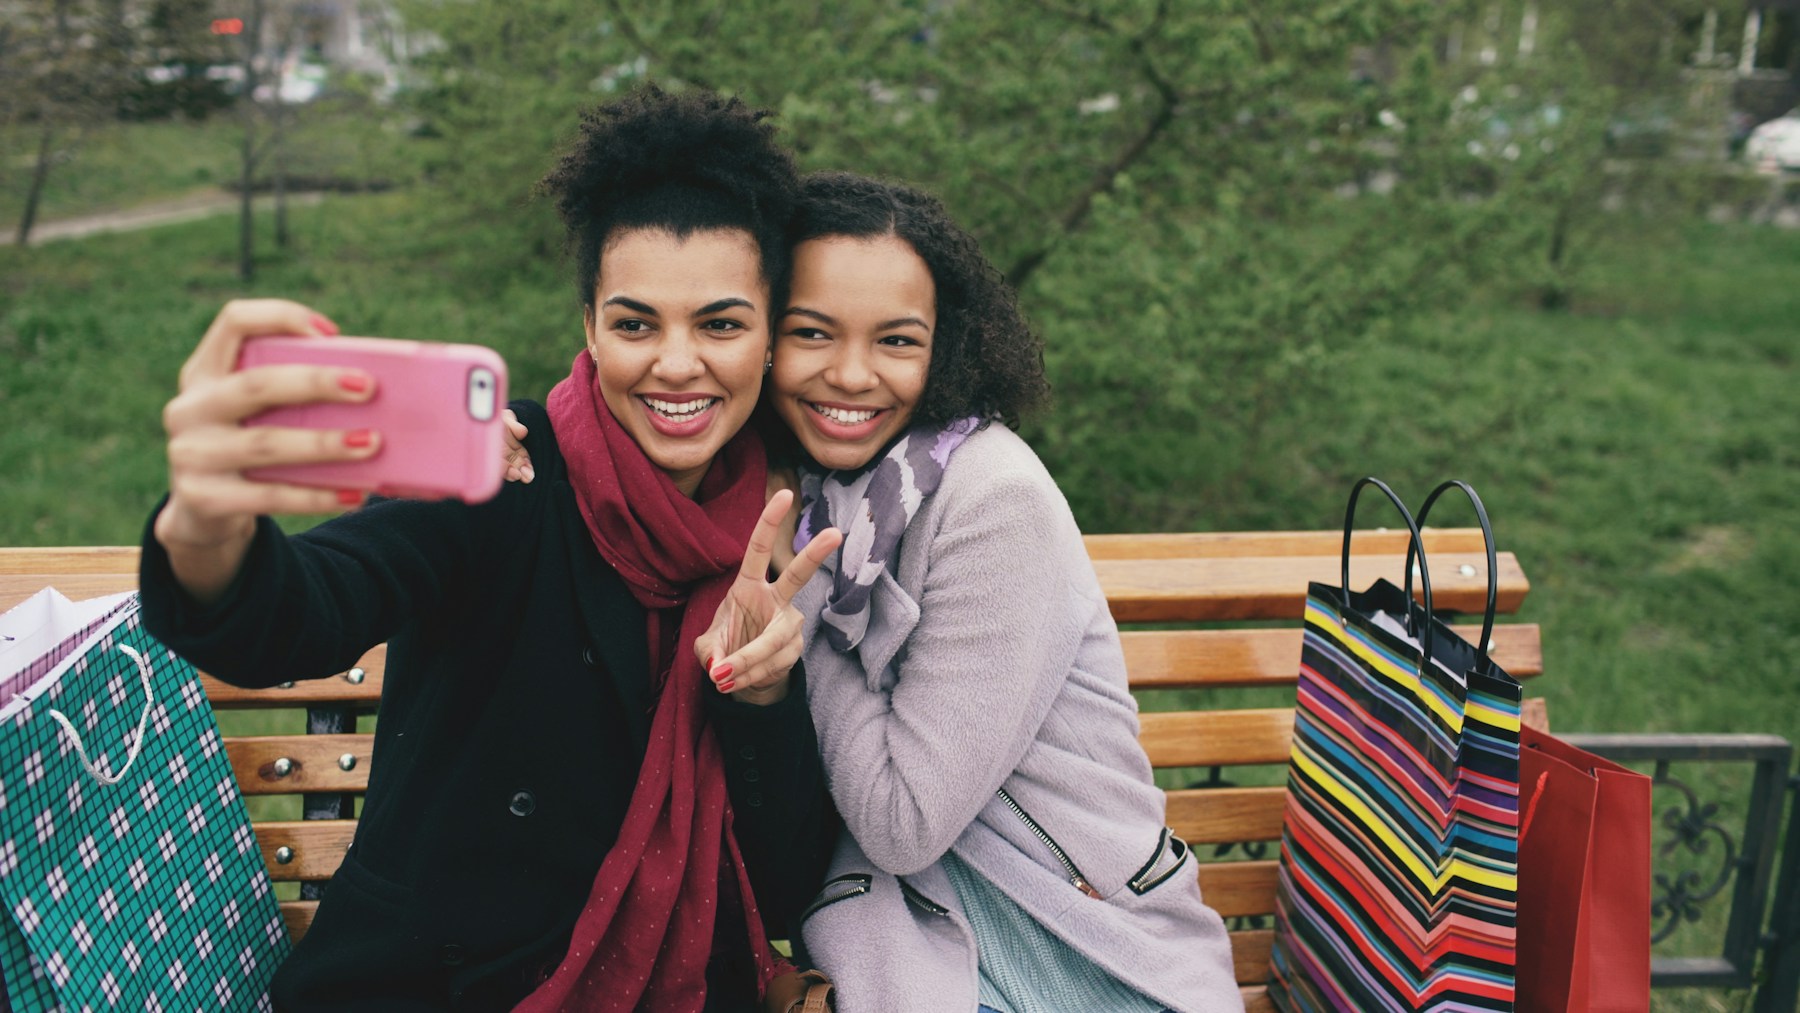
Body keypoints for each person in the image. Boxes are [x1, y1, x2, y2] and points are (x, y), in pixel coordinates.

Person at [138, 86, 839, 1012]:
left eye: (720, 323)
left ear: (767, 340)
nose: (676, 363)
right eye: (635, 323)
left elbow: (789, 886)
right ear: (588, 327)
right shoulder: (499, 470)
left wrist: (763, 698)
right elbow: (295, 617)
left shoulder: (782, 526)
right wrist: (206, 521)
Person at [509, 172, 1245, 1011]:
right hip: (909, 951)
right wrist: (503, 437)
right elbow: (629, 420)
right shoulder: (783, 482)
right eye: (813, 333)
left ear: (945, 347)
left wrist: (801, 602)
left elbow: (903, 822)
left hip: (1079, 944)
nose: (851, 376)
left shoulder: (991, 498)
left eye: (896, 341)